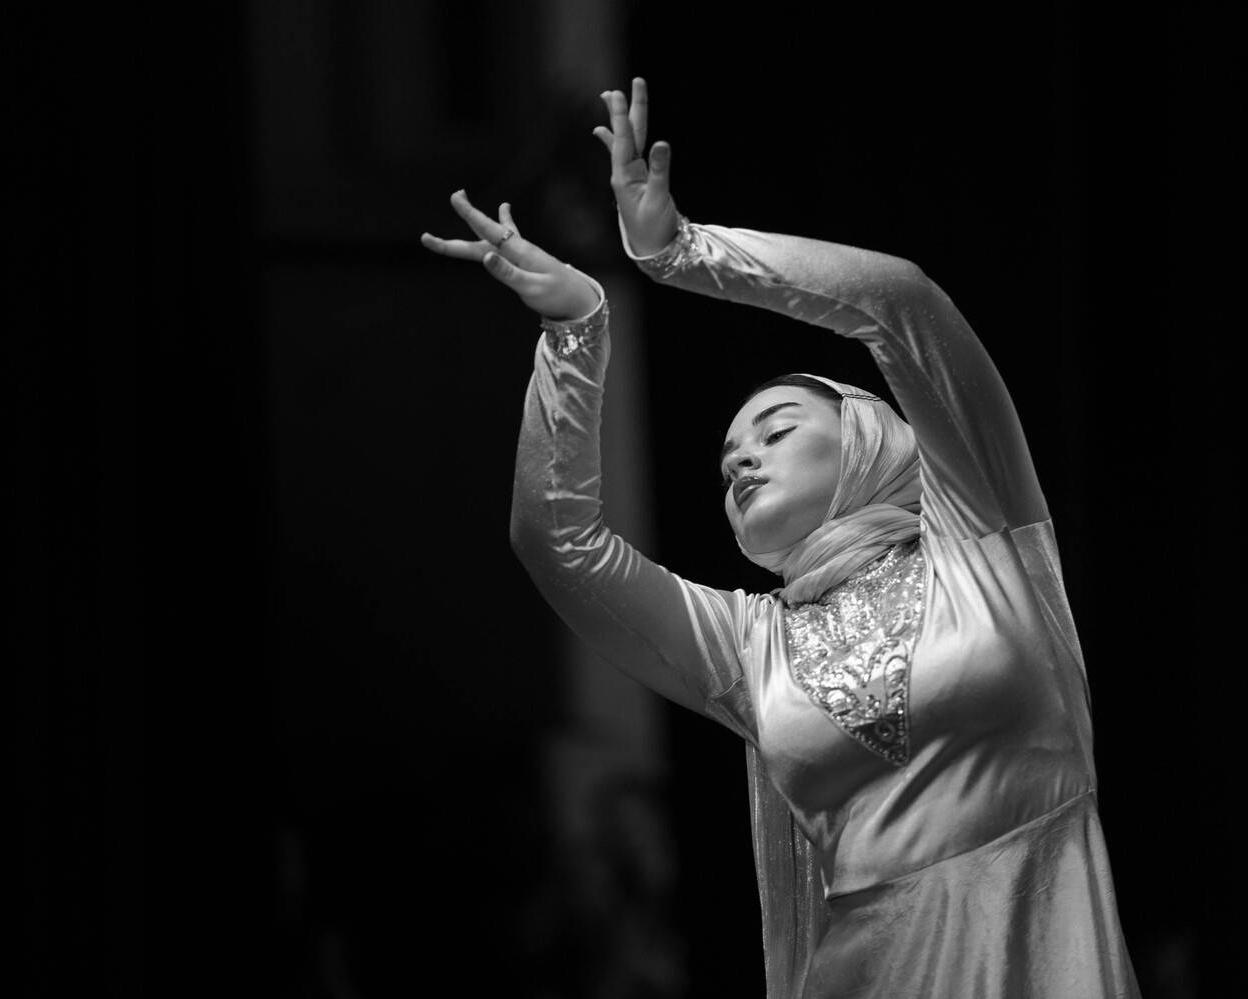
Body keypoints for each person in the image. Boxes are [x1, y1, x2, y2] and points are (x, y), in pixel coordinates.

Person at [421, 78, 1139, 999]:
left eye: (776, 429)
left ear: (868, 438)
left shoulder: (982, 536)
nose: (743, 462)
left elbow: (900, 302)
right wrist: (575, 331)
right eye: (728, 464)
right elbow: (557, 540)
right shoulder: (751, 644)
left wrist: (684, 251)